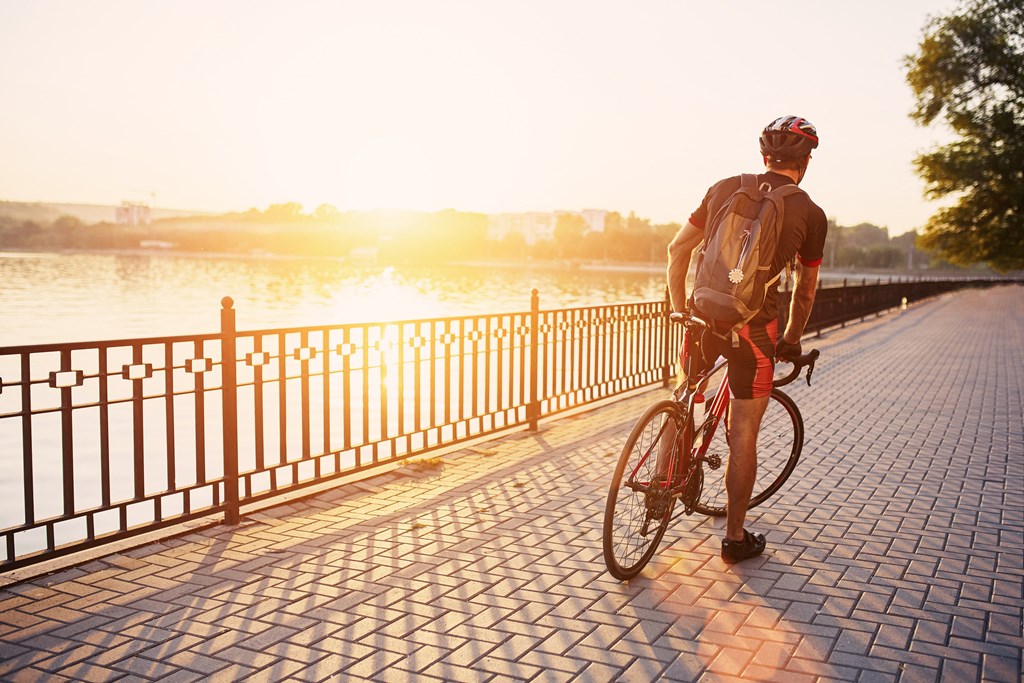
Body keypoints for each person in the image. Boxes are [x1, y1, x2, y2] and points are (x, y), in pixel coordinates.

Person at [666, 115, 828, 563]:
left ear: (763, 157)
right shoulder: (810, 213)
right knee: (743, 436)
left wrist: (680, 309)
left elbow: (678, 250)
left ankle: (660, 486)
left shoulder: (723, 187)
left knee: (683, 397)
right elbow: (807, 288)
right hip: (754, 331)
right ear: (806, 161)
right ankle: (735, 538)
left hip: (701, 318)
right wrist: (791, 339)